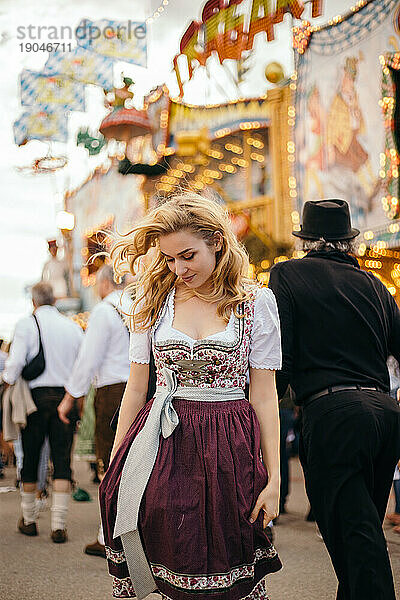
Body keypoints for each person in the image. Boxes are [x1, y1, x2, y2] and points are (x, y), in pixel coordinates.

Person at [99, 193, 282, 600]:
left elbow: (265, 396)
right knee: (166, 555)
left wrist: (274, 477)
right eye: (169, 259)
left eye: (187, 255)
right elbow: (136, 387)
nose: (178, 269)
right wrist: (115, 462)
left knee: (230, 558)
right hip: (163, 443)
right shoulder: (153, 303)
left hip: (230, 448)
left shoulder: (256, 303)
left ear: (217, 241)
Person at [269, 199, 400, 600]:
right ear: (348, 240)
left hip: (332, 415)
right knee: (359, 533)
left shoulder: (286, 275)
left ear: (307, 239)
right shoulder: (376, 285)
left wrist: (259, 414)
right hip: (385, 415)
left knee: (355, 537)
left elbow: (282, 357)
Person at [58, 264, 131, 557]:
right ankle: (133, 533)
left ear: (104, 283)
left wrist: (70, 397)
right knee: (133, 463)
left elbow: (88, 359)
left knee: (108, 461)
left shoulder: (104, 310)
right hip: (142, 389)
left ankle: (107, 536)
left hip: (112, 392)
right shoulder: (138, 306)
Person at [2, 282, 83, 542]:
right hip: (64, 399)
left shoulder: (27, 324)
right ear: (55, 300)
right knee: (61, 461)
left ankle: (29, 520)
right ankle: (58, 526)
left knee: (32, 457)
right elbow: (82, 367)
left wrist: (6, 379)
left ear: (34, 302)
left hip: (35, 401)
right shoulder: (71, 326)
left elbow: (14, 365)